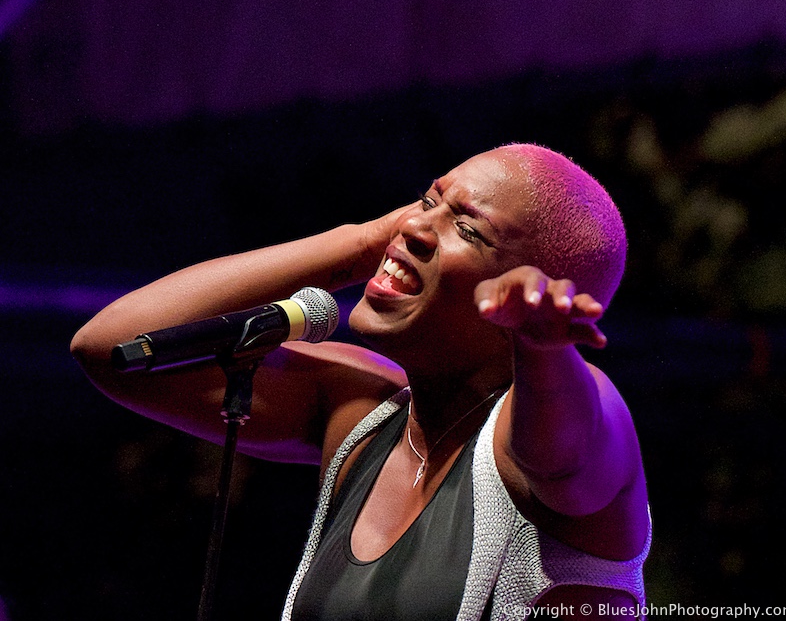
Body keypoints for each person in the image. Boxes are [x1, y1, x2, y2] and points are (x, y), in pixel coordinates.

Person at [71, 143, 650, 620]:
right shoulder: (364, 417)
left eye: (469, 230)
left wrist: (543, 348)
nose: (416, 225)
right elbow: (113, 349)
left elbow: (560, 458)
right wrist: (362, 243)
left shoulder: (583, 409)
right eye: (428, 199)